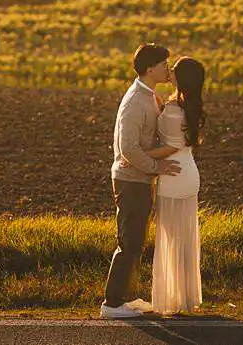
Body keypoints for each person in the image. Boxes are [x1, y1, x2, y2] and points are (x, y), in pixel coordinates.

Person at [100, 43, 182, 320]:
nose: (167, 68)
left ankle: (127, 297)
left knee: (137, 240)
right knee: (129, 241)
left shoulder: (149, 96)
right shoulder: (136, 101)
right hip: (130, 179)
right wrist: (156, 167)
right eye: (163, 64)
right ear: (150, 68)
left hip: (139, 179)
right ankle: (112, 304)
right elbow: (128, 148)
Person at [149, 56, 206, 316]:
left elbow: (171, 147)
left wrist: (141, 156)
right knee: (185, 238)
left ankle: (171, 298)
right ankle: (185, 295)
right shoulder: (189, 106)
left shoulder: (172, 110)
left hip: (173, 174)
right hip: (189, 172)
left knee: (170, 237)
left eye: (174, 70)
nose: (169, 72)